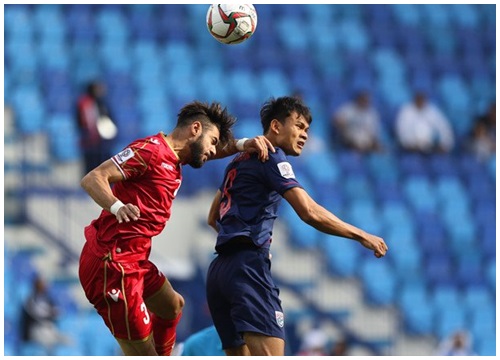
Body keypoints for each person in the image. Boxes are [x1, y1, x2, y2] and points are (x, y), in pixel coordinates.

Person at [78, 100, 274, 356]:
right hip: (112, 264)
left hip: (134, 259)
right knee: (141, 353)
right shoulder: (150, 151)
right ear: (195, 129)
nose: (213, 151)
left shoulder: (174, 160)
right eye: (212, 141)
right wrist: (117, 206)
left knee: (172, 306)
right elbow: (93, 178)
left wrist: (241, 144)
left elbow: (215, 150)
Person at [205, 96, 388, 356]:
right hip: (247, 268)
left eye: (307, 130)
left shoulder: (237, 161)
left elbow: (212, 217)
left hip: (219, 271)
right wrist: (361, 235)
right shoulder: (271, 156)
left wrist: (235, 241)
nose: (304, 135)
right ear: (276, 126)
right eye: (299, 126)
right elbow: (309, 212)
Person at [20, 275, 70, 354]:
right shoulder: (31, 299)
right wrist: (50, 313)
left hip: (48, 327)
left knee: (68, 340)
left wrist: (54, 313)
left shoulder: (48, 298)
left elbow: (58, 312)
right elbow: (36, 314)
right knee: (48, 341)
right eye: (42, 283)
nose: (44, 285)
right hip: (36, 328)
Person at [76, 80, 117, 175]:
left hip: (103, 142)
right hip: (89, 142)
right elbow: (80, 121)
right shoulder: (83, 103)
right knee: (90, 169)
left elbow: (110, 120)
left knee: (104, 168)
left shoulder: (103, 104)